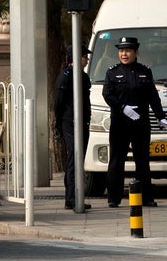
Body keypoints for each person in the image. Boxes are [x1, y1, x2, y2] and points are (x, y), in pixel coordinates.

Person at [103, 37, 167, 208]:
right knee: (117, 160)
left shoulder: (145, 72)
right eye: (121, 50)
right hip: (120, 124)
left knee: (142, 161)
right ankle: (114, 198)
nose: (124, 54)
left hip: (140, 124)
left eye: (128, 50)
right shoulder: (112, 72)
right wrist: (122, 107)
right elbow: (108, 95)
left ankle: (146, 197)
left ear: (136, 52)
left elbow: (153, 96)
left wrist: (161, 116)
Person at [53, 44, 92, 211]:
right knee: (73, 160)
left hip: (82, 122)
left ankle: (76, 197)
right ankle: (71, 198)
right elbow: (58, 103)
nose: (87, 59)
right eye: (84, 56)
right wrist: (59, 124)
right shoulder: (66, 76)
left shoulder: (83, 76)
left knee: (78, 159)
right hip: (70, 122)